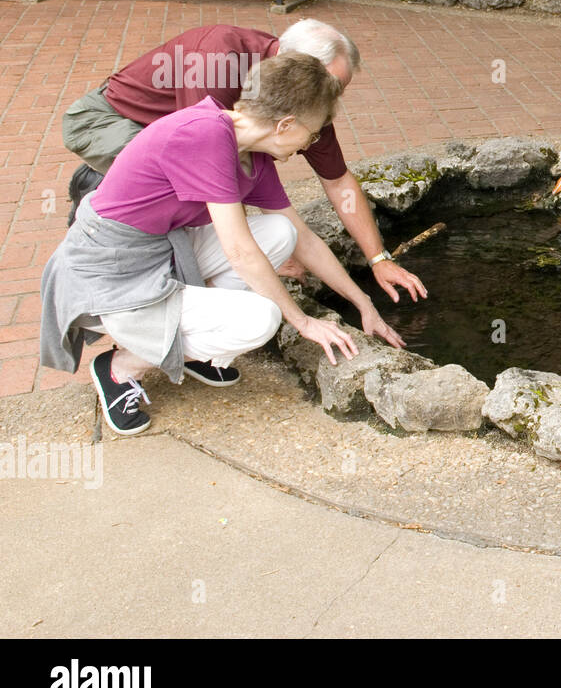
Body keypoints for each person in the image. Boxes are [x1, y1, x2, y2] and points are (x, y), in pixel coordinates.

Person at [40, 52, 404, 436]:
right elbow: (240, 251)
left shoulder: (254, 155)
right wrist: (301, 321)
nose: (309, 144)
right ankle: (120, 368)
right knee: (261, 318)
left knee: (282, 233)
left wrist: (363, 303)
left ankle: (193, 345)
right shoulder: (205, 134)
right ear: (284, 125)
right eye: (311, 134)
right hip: (113, 267)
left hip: (163, 248)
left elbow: (306, 241)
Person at [61, 18, 427, 330]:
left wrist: (379, 259)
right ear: (293, 68)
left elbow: (337, 180)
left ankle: (195, 292)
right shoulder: (220, 59)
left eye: (338, 91)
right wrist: (256, 256)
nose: (332, 99)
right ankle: (145, 287)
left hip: (194, 141)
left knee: (255, 206)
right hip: (114, 119)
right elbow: (205, 173)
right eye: (328, 87)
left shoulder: (306, 104)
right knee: (194, 196)